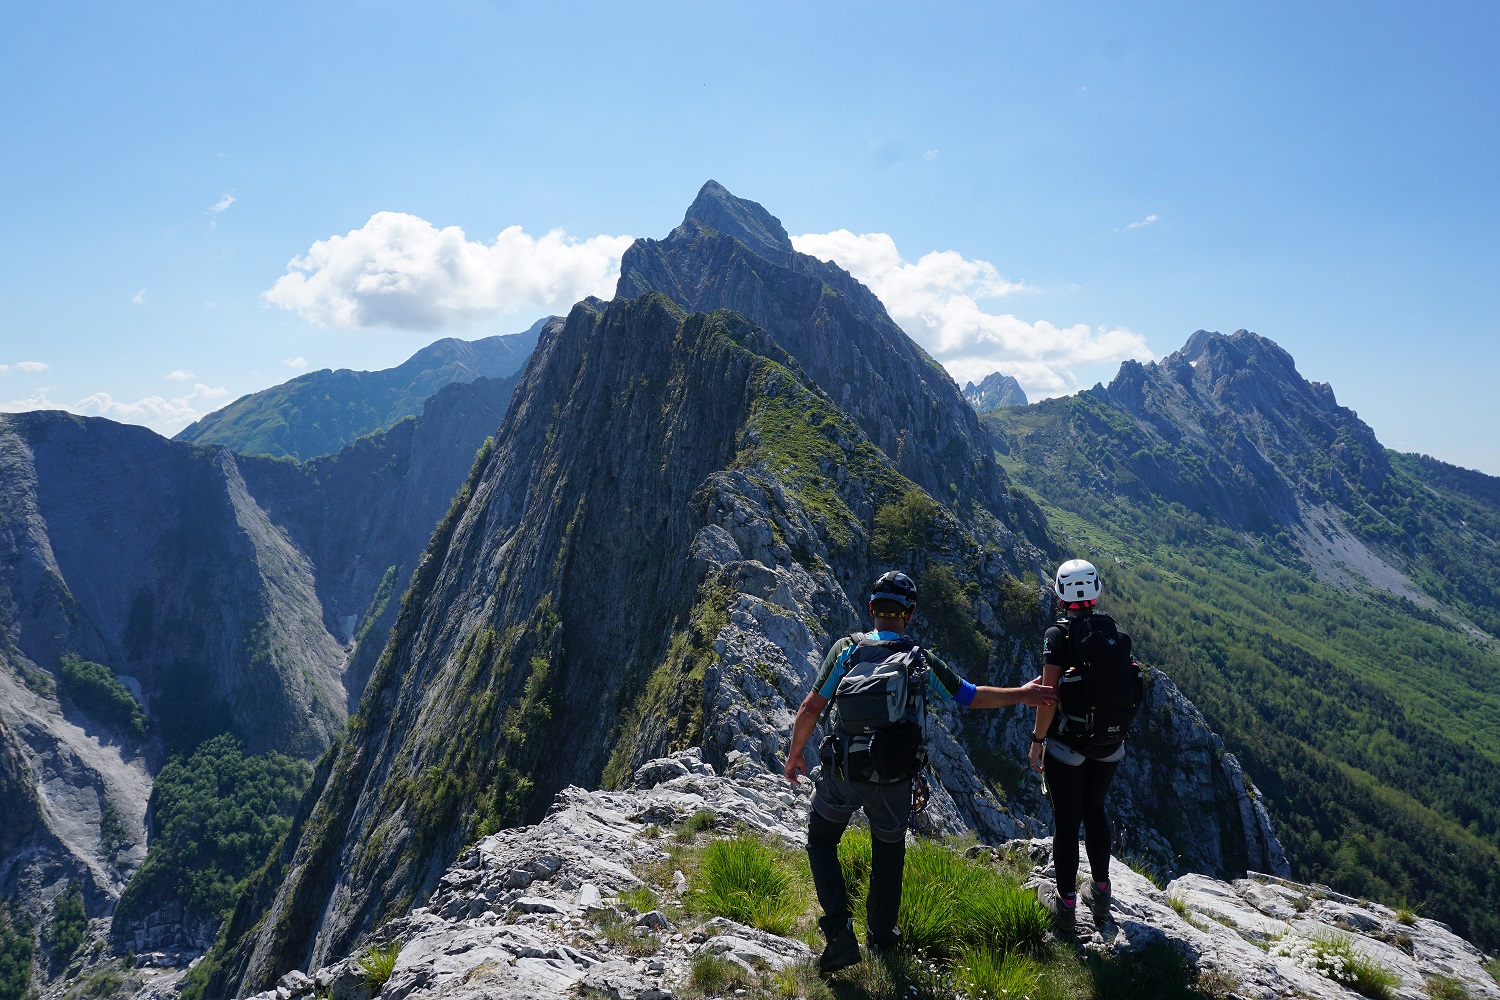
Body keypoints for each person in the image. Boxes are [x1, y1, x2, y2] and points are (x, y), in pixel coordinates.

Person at [784, 570, 1057, 974]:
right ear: (908, 616)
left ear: (872, 609)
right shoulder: (920, 659)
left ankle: (840, 937)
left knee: (822, 843)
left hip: (842, 771)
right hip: (894, 778)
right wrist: (1024, 694)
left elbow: (811, 708)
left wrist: (795, 755)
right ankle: (881, 939)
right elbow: (972, 696)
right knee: (888, 855)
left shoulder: (846, 649)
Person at [1029, 559, 1139, 932]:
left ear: (1060, 593)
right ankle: (1101, 892)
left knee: (1066, 820)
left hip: (1068, 746)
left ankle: (1064, 905)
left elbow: (1048, 696)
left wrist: (1037, 741)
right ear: (1096, 592)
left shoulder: (1057, 636)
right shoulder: (1115, 634)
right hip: (1110, 742)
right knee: (1095, 811)